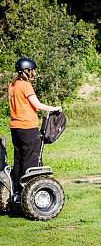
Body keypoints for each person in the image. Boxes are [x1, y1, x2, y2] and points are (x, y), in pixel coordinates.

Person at [8, 57, 61, 196]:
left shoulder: (12, 85)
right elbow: (37, 105)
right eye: (32, 70)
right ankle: (28, 193)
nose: (34, 73)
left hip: (15, 128)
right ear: (26, 70)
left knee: (19, 159)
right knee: (31, 160)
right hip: (28, 128)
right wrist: (55, 108)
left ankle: (16, 191)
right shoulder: (25, 85)